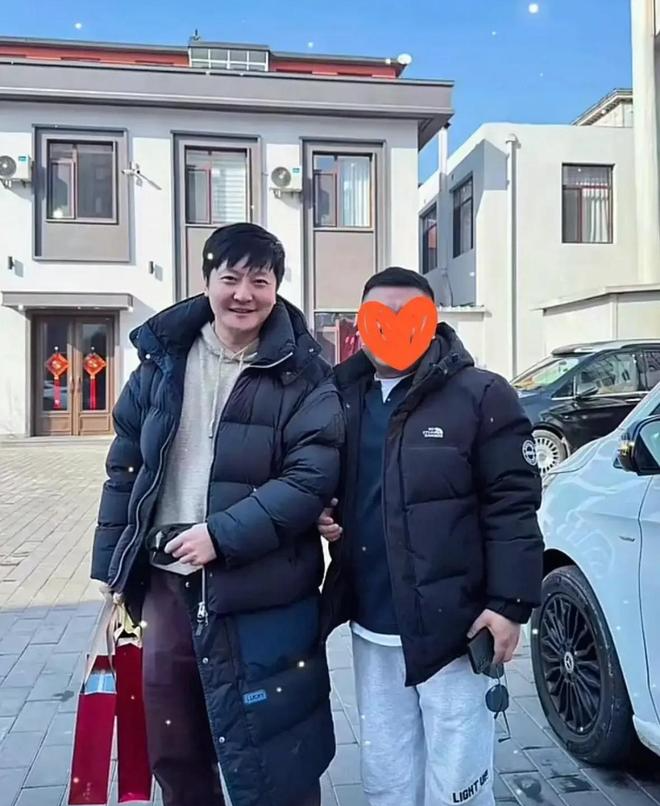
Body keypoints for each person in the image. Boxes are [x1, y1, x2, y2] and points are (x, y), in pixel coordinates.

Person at [91, 223, 345, 806]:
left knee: (277, 746)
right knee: (175, 745)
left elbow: (309, 480)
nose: (243, 294)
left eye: (260, 281)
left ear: (277, 287)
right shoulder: (162, 361)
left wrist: (221, 536)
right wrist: (112, 568)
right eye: (230, 278)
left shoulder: (305, 372)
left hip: (266, 587)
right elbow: (126, 466)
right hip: (168, 584)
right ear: (206, 281)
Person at [320, 267, 543, 806]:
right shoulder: (341, 395)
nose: (395, 327)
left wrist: (509, 605)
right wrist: (322, 511)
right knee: (387, 771)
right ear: (360, 323)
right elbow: (326, 480)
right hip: (373, 621)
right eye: (381, 315)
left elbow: (513, 504)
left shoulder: (481, 394)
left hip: (456, 628)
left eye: (410, 315)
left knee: (458, 776)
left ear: (433, 321)